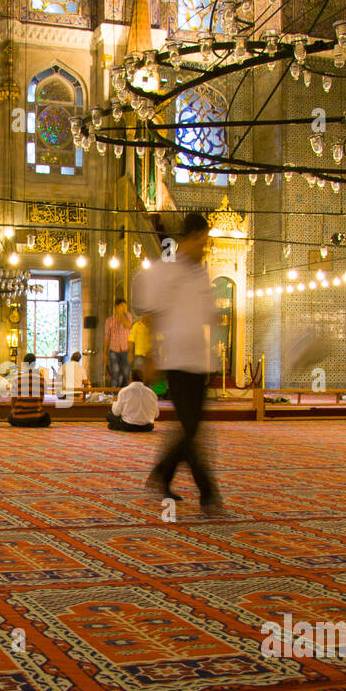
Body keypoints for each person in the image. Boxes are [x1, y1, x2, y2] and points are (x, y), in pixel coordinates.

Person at [135, 211, 222, 513]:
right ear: (193, 237)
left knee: (190, 429)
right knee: (191, 430)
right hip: (177, 359)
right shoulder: (166, 269)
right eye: (205, 242)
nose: (206, 248)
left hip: (198, 360)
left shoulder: (200, 272)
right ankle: (208, 493)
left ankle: (164, 473)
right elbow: (154, 315)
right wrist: (151, 355)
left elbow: (206, 314)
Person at [9, 353, 51, 428]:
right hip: (36, 418)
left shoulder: (17, 379)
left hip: (19, 418)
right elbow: (41, 400)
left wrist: (14, 411)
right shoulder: (42, 380)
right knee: (47, 417)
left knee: (10, 416)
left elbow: (13, 400)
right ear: (34, 364)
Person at [104, 298, 133, 388]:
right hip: (113, 349)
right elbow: (107, 337)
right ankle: (114, 393)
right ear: (116, 307)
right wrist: (104, 353)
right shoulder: (109, 320)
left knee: (126, 373)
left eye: (125, 306)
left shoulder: (128, 316)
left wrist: (122, 315)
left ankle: (124, 391)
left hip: (125, 349)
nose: (124, 308)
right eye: (121, 306)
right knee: (115, 373)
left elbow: (128, 326)